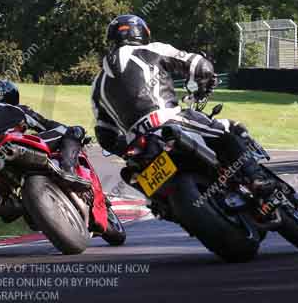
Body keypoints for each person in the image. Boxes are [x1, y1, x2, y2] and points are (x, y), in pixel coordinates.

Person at [91, 14, 273, 195]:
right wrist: (204, 85)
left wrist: (126, 150)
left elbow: (105, 135)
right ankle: (256, 179)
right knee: (225, 135)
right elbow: (200, 66)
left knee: (150, 192)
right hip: (168, 120)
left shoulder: (97, 84)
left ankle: (165, 204)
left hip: (138, 145)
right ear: (142, 33)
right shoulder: (153, 49)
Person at [0, 79, 89, 222]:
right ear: (13, 96)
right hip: (14, 145)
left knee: (0, 193)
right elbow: (46, 125)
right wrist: (73, 134)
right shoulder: (18, 109)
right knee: (73, 131)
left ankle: (4, 201)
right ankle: (68, 170)